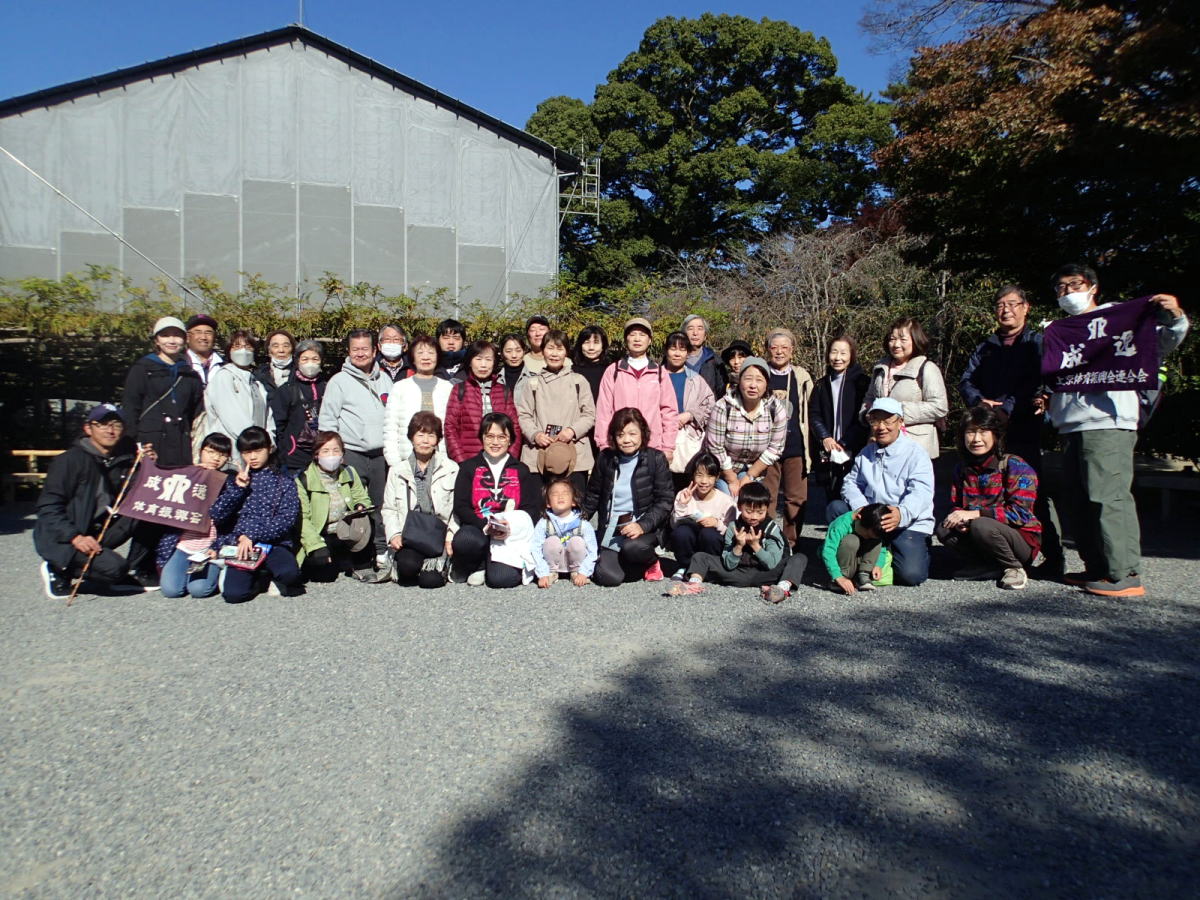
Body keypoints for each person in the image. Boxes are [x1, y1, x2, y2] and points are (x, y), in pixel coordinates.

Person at [1043, 264, 1189, 597]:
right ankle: (1097, 567)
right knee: (1078, 499)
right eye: (1061, 288)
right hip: (1070, 422)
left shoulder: (1118, 318)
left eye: (1075, 284)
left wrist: (1175, 316)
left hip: (1108, 420)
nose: (1068, 292)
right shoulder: (1062, 331)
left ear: (1093, 287)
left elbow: (1161, 343)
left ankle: (1124, 572)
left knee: (1107, 495)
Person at [959, 285, 1062, 572]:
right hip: (987, 430)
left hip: (1022, 428)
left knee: (1033, 492)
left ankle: (1052, 557)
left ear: (1026, 308)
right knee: (985, 491)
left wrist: (1008, 408)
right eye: (1000, 305)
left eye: (1012, 304)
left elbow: (1038, 382)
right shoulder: (986, 347)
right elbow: (966, 380)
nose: (1006, 310)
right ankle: (994, 557)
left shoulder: (1036, 343)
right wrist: (980, 403)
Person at [35, 404, 158, 599]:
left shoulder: (122, 459)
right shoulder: (69, 461)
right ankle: (58, 568)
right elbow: (48, 507)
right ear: (88, 428)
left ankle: (137, 568)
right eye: (102, 424)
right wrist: (75, 537)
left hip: (98, 529)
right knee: (115, 569)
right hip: (65, 537)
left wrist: (147, 467)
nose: (110, 430)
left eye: (116, 425)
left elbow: (138, 493)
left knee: (148, 510)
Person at [830, 397, 935, 587]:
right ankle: (852, 557)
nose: (881, 427)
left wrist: (901, 513)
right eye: (875, 421)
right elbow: (850, 483)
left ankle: (894, 551)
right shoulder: (866, 453)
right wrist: (864, 509)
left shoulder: (916, 453)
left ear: (900, 422)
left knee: (911, 575)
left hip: (906, 523)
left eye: (887, 421)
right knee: (837, 509)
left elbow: (921, 492)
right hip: (873, 519)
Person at [937, 407, 1040, 590]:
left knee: (981, 525)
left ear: (995, 435)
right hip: (981, 531)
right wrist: (960, 520)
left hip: (1019, 538)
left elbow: (1021, 514)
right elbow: (957, 505)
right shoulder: (962, 469)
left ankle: (1014, 567)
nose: (976, 439)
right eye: (970, 432)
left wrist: (975, 514)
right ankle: (987, 566)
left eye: (983, 431)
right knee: (945, 528)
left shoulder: (1015, 465)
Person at [317, 329, 390, 574]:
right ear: (348, 352)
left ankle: (381, 550)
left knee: (381, 505)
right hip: (352, 453)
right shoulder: (339, 381)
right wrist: (333, 453)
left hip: (380, 454)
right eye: (355, 349)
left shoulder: (385, 379)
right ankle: (354, 553)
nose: (360, 353)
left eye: (365, 349)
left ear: (374, 350)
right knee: (353, 506)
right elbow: (328, 420)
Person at [667, 481, 809, 603]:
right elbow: (728, 564)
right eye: (749, 511)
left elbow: (771, 563)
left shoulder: (771, 529)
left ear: (767, 509)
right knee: (700, 557)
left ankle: (781, 589)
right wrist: (739, 547)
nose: (754, 517)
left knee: (799, 558)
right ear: (740, 507)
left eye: (760, 512)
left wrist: (756, 546)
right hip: (737, 572)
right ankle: (694, 583)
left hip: (765, 574)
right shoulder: (733, 527)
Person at [209, 426, 303, 602]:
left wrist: (252, 535)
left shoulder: (284, 481)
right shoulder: (234, 480)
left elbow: (286, 519)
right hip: (241, 544)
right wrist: (237, 489)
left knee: (290, 575)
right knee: (234, 595)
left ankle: (269, 573)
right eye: (246, 452)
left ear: (269, 449)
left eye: (258, 451)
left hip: (273, 543)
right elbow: (217, 515)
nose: (252, 457)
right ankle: (259, 578)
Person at [583, 407, 674, 586]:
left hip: (643, 529)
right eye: (620, 434)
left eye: (632, 433)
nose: (626, 440)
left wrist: (642, 525)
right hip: (612, 529)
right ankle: (628, 563)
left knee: (633, 548)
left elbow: (665, 501)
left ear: (642, 433)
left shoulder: (655, 459)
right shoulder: (605, 458)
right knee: (608, 578)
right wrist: (576, 522)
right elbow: (593, 495)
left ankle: (651, 561)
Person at [450, 412, 543, 587]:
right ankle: (475, 565)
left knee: (501, 579)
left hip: (508, 533)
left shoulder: (521, 470)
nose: (495, 442)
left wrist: (510, 525)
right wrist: (485, 525)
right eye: (490, 436)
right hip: (478, 528)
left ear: (510, 440)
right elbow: (461, 506)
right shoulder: (469, 467)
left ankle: (491, 564)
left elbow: (531, 508)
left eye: (501, 437)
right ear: (482, 437)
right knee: (466, 540)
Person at [382, 412, 459, 588]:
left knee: (430, 581)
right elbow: (389, 508)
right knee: (407, 567)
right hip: (410, 535)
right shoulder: (397, 471)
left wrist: (451, 535)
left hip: (438, 534)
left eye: (431, 435)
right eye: (420, 435)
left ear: (438, 440)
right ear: (411, 438)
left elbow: (457, 509)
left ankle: (438, 567)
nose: (425, 441)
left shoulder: (451, 468)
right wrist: (394, 534)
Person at [516, 330, 596, 495]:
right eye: (550, 348)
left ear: (566, 352)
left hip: (574, 454)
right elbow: (523, 416)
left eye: (559, 349)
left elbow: (589, 414)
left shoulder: (579, 381)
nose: (554, 354)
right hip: (539, 454)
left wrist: (572, 431)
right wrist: (535, 435)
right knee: (539, 504)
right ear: (542, 350)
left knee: (573, 503)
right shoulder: (532, 383)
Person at [156, 433, 232, 598]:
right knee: (171, 590)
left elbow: (227, 515)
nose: (216, 458)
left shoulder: (229, 481)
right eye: (211, 452)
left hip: (209, 548)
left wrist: (217, 548)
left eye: (222, 455)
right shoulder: (185, 476)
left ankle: (216, 569)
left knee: (199, 590)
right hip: (182, 545)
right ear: (200, 451)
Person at [122, 316, 203, 468]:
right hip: (151, 442)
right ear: (156, 341)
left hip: (181, 443)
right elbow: (131, 406)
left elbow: (196, 412)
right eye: (165, 335)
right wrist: (133, 442)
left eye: (177, 335)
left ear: (185, 339)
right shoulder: (143, 369)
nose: (171, 341)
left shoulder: (190, 375)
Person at [295, 431, 376, 583]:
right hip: (321, 533)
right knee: (325, 575)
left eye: (335, 450)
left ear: (342, 454)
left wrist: (360, 505)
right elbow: (303, 519)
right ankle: (336, 559)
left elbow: (362, 497)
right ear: (316, 455)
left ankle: (361, 564)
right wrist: (315, 545)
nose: (331, 455)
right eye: (325, 451)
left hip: (346, 530)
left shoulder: (349, 472)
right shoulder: (304, 479)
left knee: (369, 521)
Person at [704, 355, 788, 502]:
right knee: (730, 501)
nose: (753, 385)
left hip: (755, 469)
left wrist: (749, 476)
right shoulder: (723, 406)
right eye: (748, 379)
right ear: (739, 380)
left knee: (751, 503)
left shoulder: (776, 409)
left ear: (767, 384)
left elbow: (775, 448)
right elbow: (715, 446)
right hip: (723, 469)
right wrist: (731, 479)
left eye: (759, 380)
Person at [863, 317, 949, 459]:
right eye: (892, 339)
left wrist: (897, 412)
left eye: (903, 339)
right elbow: (869, 398)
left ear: (916, 340)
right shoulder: (880, 368)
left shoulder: (927, 368)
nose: (896, 344)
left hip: (915, 446)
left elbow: (939, 407)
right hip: (881, 444)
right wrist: (869, 415)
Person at [594, 317, 678, 462]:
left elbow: (669, 412)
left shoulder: (659, 373)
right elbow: (603, 411)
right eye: (632, 334)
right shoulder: (614, 371)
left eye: (642, 335)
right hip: (621, 444)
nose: (637, 339)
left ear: (650, 340)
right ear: (626, 339)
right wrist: (604, 445)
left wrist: (668, 447)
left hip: (652, 446)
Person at [763, 328, 814, 548]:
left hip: (795, 447)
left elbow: (810, 409)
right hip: (767, 449)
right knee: (767, 497)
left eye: (785, 347)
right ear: (768, 349)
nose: (779, 352)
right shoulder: (761, 372)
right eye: (775, 347)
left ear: (792, 350)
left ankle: (790, 543)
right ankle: (767, 542)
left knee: (796, 499)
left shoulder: (801, 376)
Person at [809, 333, 871, 500]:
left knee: (855, 497)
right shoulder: (822, 384)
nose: (838, 358)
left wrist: (845, 442)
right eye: (834, 352)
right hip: (829, 451)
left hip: (855, 449)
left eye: (843, 353)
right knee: (832, 497)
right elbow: (814, 414)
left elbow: (864, 417)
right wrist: (825, 437)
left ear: (852, 355)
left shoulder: (863, 383)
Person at [444, 340, 522, 463]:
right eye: (478, 359)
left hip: (501, 461)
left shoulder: (503, 391)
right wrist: (462, 462)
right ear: (470, 362)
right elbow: (450, 428)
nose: (483, 365)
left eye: (488, 359)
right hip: (469, 460)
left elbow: (515, 428)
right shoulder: (460, 389)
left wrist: (510, 459)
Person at [383, 334, 453, 467]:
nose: (426, 357)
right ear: (413, 358)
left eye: (431, 353)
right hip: (406, 459)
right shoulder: (400, 387)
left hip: (441, 460)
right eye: (420, 353)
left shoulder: (448, 388)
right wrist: (395, 462)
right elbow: (390, 427)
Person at [206, 329, 271, 469]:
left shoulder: (256, 383)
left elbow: (268, 416)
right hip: (233, 454)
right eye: (237, 346)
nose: (243, 350)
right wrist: (255, 444)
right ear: (229, 351)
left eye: (248, 346)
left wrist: (268, 443)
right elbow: (233, 417)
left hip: (256, 454)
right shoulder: (224, 377)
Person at [668, 452, 736, 576]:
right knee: (682, 532)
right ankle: (685, 566)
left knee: (709, 534)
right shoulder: (684, 494)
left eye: (710, 476)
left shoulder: (726, 501)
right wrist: (682, 505)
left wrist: (717, 523)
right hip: (691, 540)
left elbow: (731, 531)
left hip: (710, 544)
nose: (704, 481)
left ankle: (709, 568)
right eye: (699, 475)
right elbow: (674, 525)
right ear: (693, 476)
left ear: (717, 477)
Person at [662, 331, 716, 480]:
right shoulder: (654, 377)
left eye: (682, 349)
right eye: (673, 348)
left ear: (688, 353)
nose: (677, 354)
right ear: (666, 351)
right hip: (659, 440)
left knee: (685, 483)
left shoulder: (696, 380)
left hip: (687, 442)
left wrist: (691, 415)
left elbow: (710, 407)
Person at [271, 339, 328, 475]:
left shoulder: (327, 386)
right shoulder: (287, 390)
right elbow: (278, 426)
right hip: (294, 456)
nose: (310, 363)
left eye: (315, 359)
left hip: (323, 454)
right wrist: (285, 451)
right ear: (297, 361)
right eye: (305, 359)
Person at [531, 477, 598, 588]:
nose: (560, 496)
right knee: (552, 541)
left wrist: (584, 572)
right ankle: (552, 573)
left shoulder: (582, 523)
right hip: (550, 568)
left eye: (565, 493)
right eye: (555, 494)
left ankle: (575, 572)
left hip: (578, 567)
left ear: (573, 501)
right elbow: (535, 548)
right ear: (548, 503)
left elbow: (592, 550)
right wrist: (542, 573)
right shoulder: (544, 523)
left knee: (577, 541)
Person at [821, 502, 890, 596]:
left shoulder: (872, 527)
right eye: (867, 535)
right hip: (843, 564)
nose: (867, 538)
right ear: (858, 518)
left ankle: (863, 575)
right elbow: (828, 551)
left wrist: (878, 565)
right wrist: (838, 576)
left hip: (859, 561)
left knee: (875, 541)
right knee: (851, 540)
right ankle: (842, 577)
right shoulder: (840, 525)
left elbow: (882, 547)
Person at [681, 314, 723, 397]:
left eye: (700, 329)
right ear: (683, 334)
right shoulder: (673, 359)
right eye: (690, 329)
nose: (695, 333)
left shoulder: (714, 360)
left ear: (705, 336)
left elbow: (721, 392)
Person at [571, 324, 611, 405]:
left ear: (603, 346)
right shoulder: (572, 371)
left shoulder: (610, 370)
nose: (591, 347)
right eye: (587, 342)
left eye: (596, 342)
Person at [185, 314, 223, 388]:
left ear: (214, 337)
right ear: (187, 337)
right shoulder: (179, 363)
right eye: (198, 332)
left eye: (208, 333)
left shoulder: (225, 365)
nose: (203, 337)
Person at [255, 330, 296, 396]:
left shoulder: (301, 374)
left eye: (286, 346)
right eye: (276, 346)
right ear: (269, 351)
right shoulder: (259, 374)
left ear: (292, 350)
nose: (281, 350)